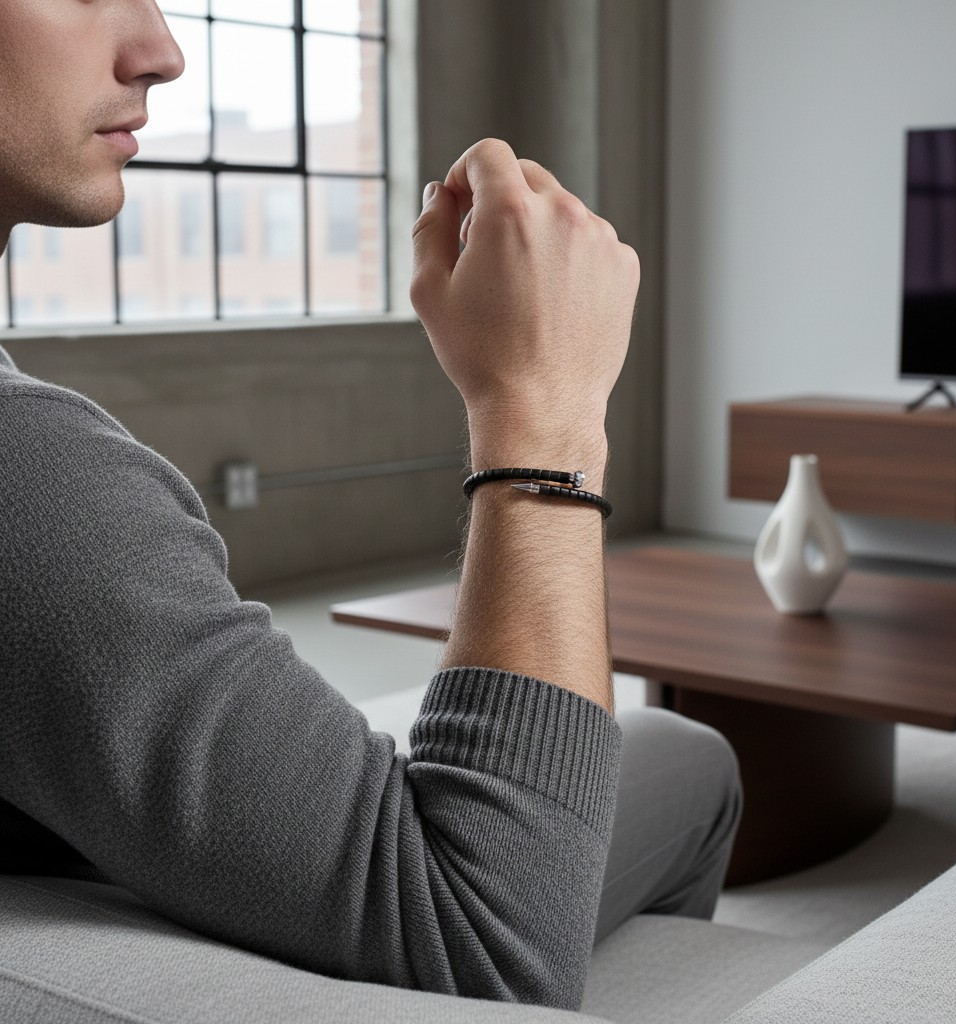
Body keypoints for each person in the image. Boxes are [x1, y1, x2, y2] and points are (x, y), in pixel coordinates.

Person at [0, 0, 741, 1012]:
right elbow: (494, 938)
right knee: (696, 764)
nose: (161, 52)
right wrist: (545, 410)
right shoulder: (33, 480)